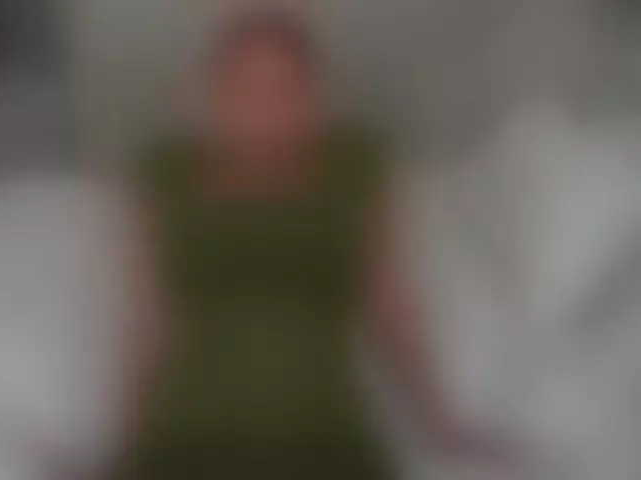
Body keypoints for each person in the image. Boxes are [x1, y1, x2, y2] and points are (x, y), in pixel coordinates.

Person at [119, 9, 464, 479]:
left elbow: (390, 306)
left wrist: (440, 423)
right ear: (213, 94)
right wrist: (118, 449)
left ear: (316, 95)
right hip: (188, 431)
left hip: (322, 430)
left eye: (285, 89)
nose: (263, 112)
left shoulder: (354, 167)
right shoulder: (167, 175)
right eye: (243, 90)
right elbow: (147, 323)